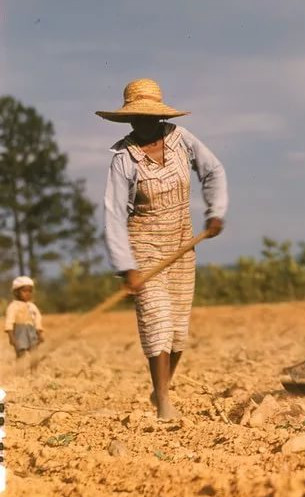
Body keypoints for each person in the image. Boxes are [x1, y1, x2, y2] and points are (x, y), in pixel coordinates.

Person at [99, 78, 228, 420]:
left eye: (148, 116)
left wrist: (215, 212)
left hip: (182, 245)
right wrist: (127, 266)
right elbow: (114, 214)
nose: (143, 122)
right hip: (143, 246)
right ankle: (165, 404)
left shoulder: (181, 139)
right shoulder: (124, 158)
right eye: (136, 117)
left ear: (159, 116)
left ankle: (160, 390)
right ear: (128, 119)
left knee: (178, 332)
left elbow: (213, 171)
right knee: (157, 322)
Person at [5, 276, 44, 360]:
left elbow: (37, 319)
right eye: (24, 291)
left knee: (34, 351)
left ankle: (34, 368)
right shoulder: (13, 306)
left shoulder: (32, 306)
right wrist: (11, 337)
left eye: (30, 291)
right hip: (19, 332)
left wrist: (39, 333)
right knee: (20, 352)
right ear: (16, 292)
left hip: (31, 330)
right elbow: (9, 321)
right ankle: (20, 367)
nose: (27, 294)